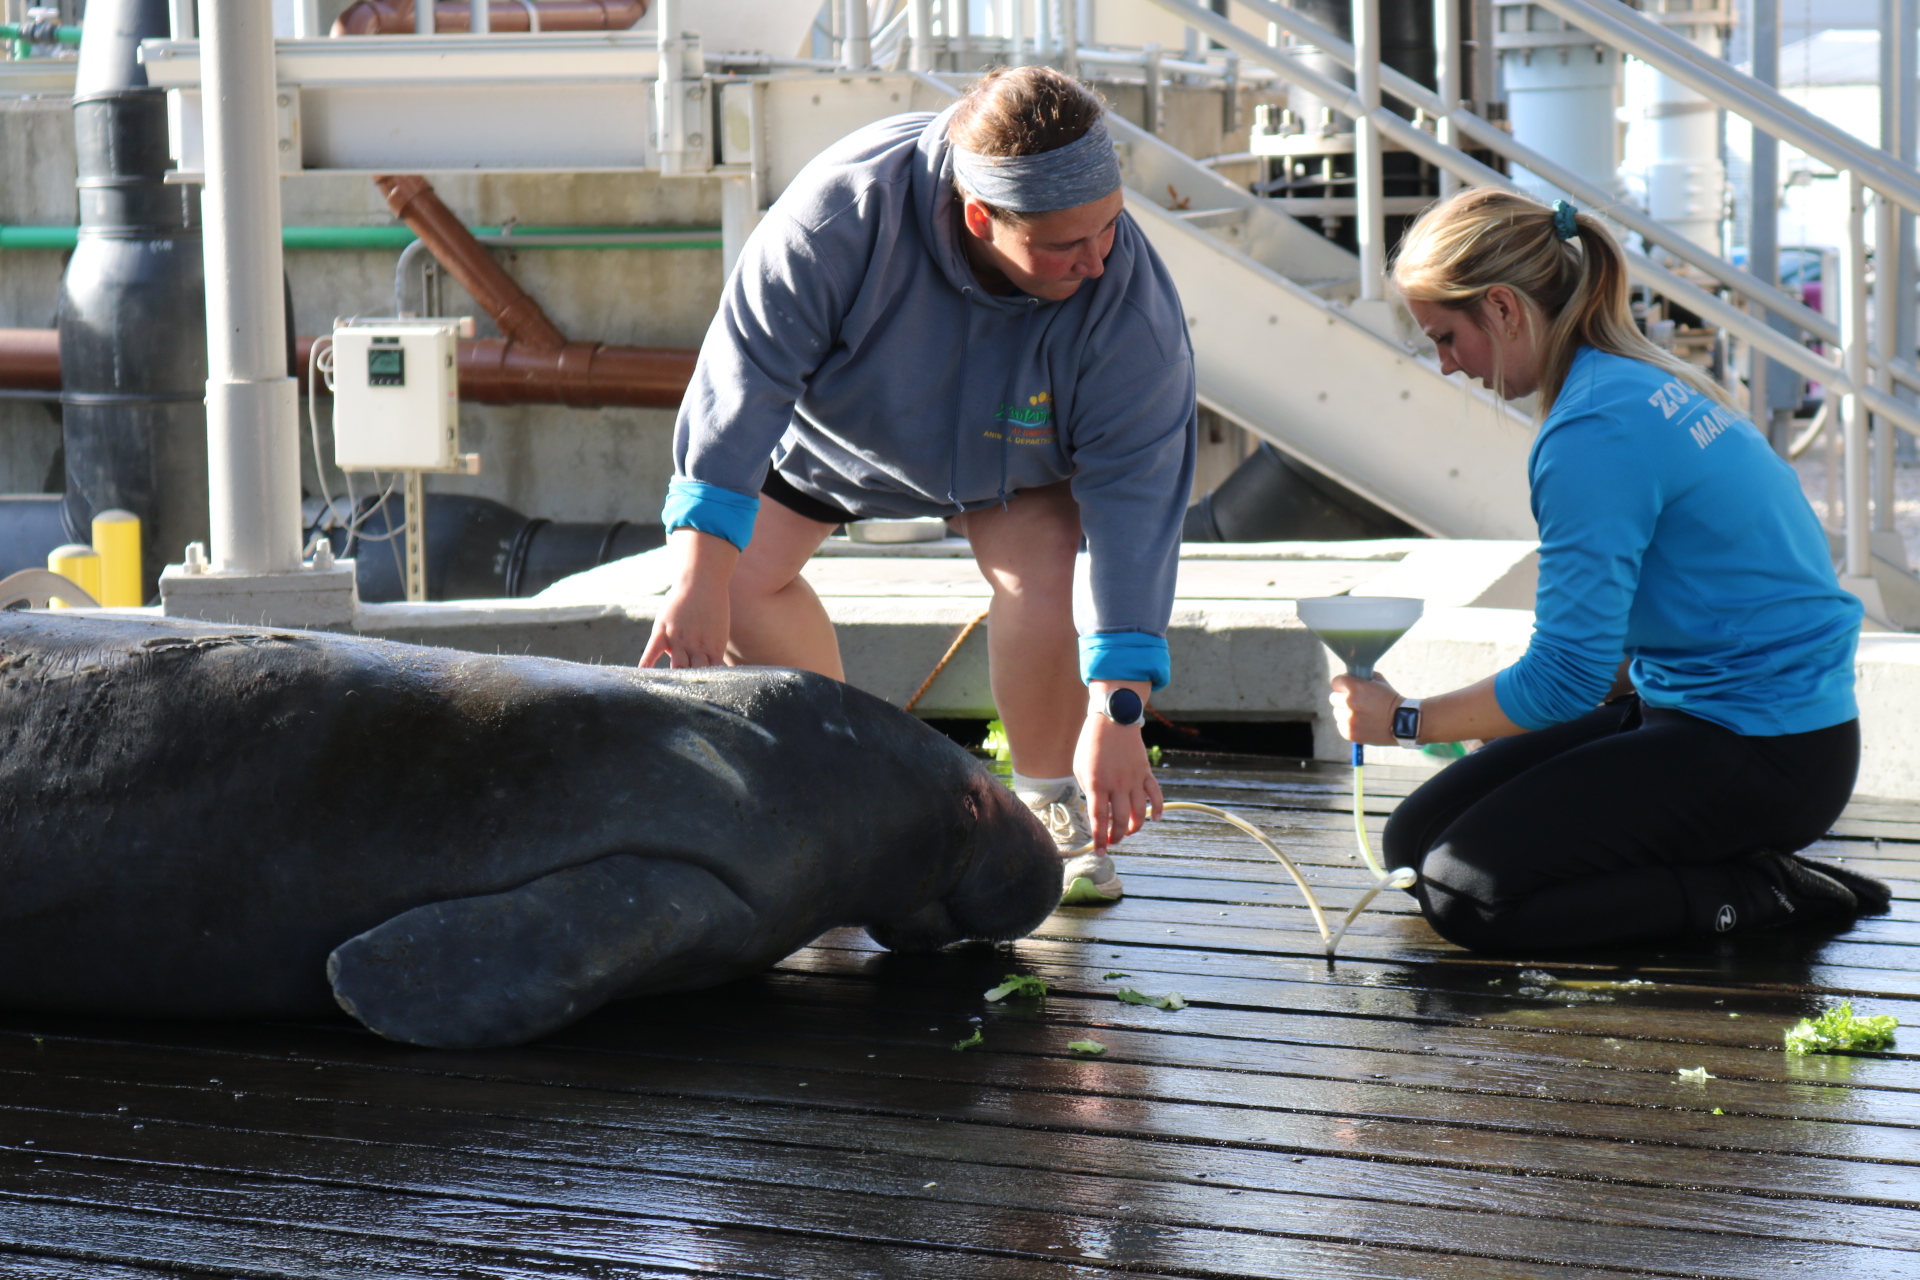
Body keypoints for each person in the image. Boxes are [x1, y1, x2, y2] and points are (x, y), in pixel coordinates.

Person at [639, 67, 1197, 902]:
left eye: (1110, 227)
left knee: (1041, 577)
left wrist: (1118, 710)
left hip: (1017, 455)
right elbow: (741, 381)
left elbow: (1137, 506)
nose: (1098, 261)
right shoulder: (838, 213)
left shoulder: (1128, 303)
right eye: (1062, 245)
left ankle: (1052, 808)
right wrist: (696, 579)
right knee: (737, 581)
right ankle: (846, 784)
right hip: (837, 439)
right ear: (981, 215)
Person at [1329, 187, 1889, 952]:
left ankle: (1757, 892)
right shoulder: (1631, 379)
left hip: (1766, 750)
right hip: (1700, 711)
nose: (1448, 365)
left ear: (1502, 307)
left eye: (1447, 337)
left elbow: (1563, 681)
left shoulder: (1592, 430)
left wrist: (1401, 719)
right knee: (1413, 846)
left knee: (1468, 894)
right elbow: (1605, 660)